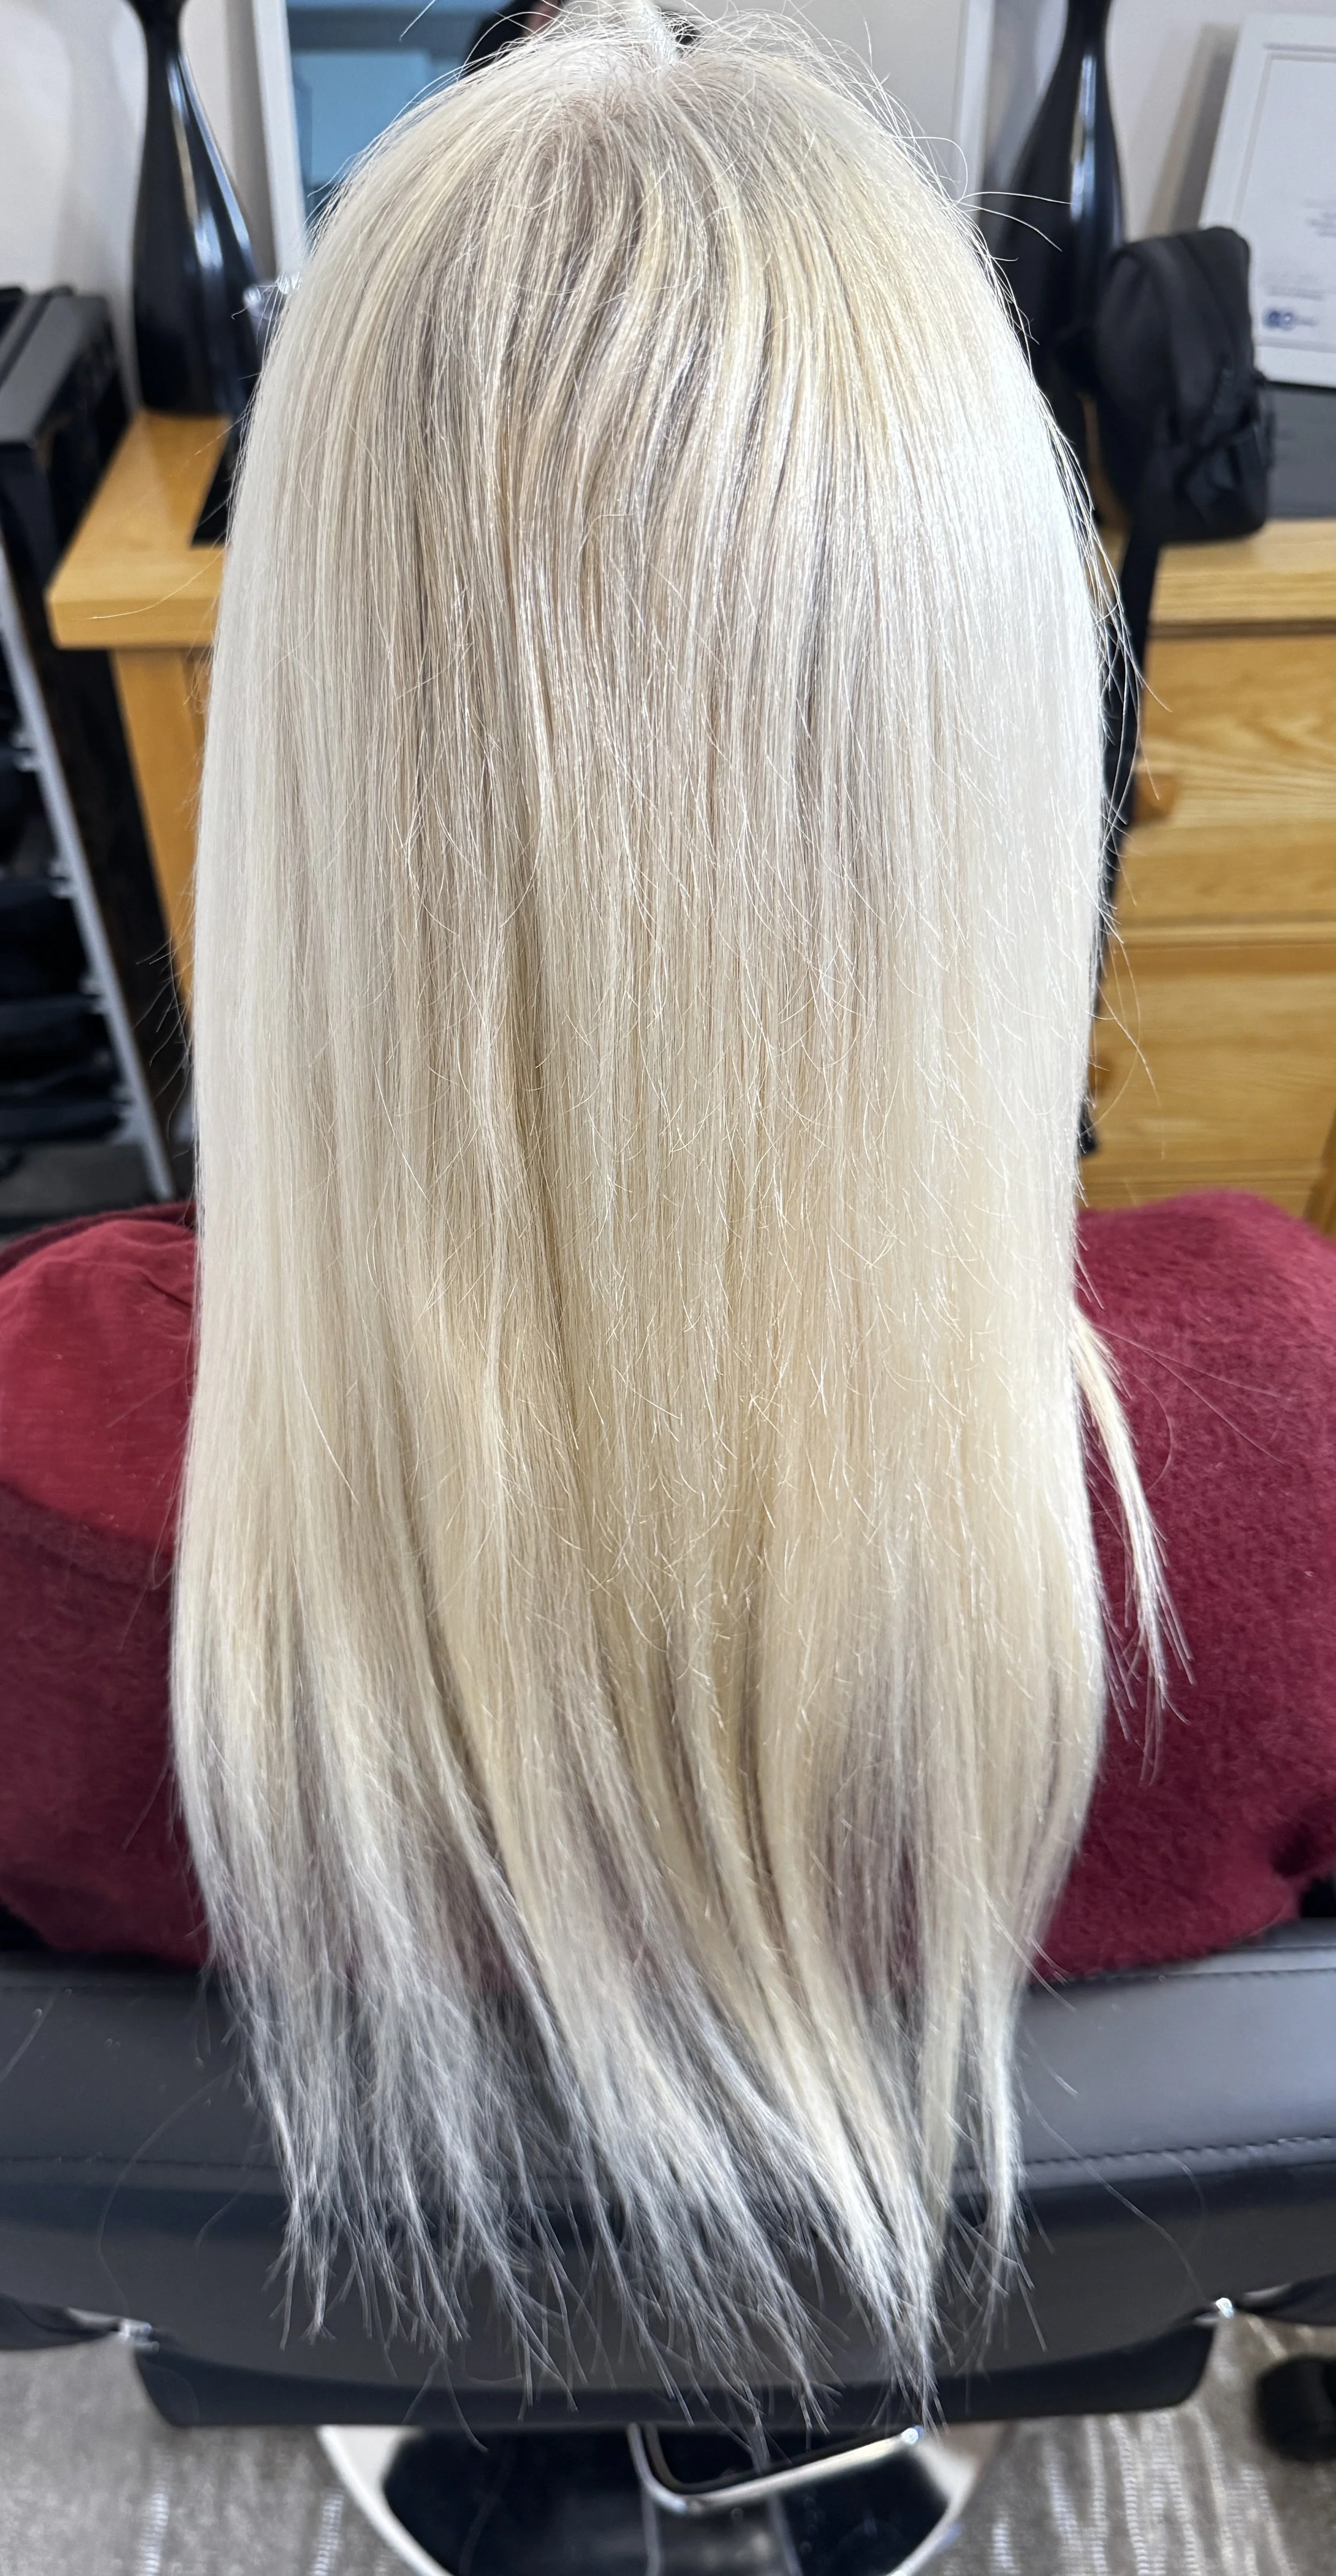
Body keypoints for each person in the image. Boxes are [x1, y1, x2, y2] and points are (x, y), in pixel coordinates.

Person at [2, 5, 1335, 2395]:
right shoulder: (1285, 1427)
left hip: (363, 2323)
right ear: (995, 720)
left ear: (316, 741)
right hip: (985, 2316)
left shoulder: (38, 1442)